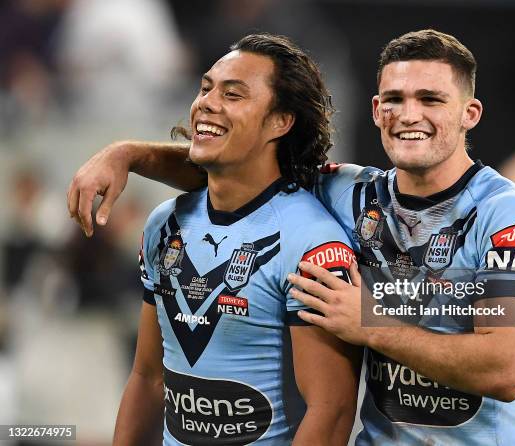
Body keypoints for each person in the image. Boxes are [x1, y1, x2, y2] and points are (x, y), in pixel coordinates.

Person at [68, 30, 515, 445]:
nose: (409, 114)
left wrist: (369, 323)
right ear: (375, 109)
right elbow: (236, 169)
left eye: (430, 99)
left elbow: (505, 369)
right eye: (394, 99)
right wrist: (127, 155)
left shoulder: (509, 219)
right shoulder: (350, 193)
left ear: (470, 113)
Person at [105, 33, 361, 445]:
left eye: (233, 94)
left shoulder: (312, 243)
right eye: (205, 88)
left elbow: (331, 411)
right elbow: (148, 378)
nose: (207, 102)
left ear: (281, 121)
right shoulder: (163, 226)